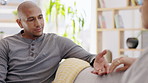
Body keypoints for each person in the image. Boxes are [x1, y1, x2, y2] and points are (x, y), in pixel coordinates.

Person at [0, 1, 109, 83]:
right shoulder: (5, 44)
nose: (38, 24)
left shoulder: (57, 42)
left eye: (40, 17)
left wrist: (95, 60)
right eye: (31, 19)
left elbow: (87, 56)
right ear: (19, 23)